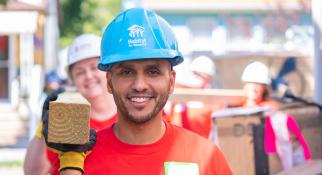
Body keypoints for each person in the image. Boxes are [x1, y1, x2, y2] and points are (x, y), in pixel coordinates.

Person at [41, 8, 233, 175]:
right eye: (126, 72)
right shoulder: (77, 160)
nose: (140, 84)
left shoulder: (206, 157)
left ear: (171, 81)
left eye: (153, 71)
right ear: (109, 81)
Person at [23, 34, 118, 175]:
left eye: (94, 67)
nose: (88, 76)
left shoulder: (130, 113)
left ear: (108, 72)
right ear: (72, 79)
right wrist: (44, 125)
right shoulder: (65, 120)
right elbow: (33, 172)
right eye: (80, 72)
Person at [240, 61, 311, 170]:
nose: (254, 87)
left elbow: (302, 147)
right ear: (244, 84)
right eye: (251, 82)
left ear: (265, 88)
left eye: (258, 83)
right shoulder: (234, 114)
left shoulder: (276, 115)